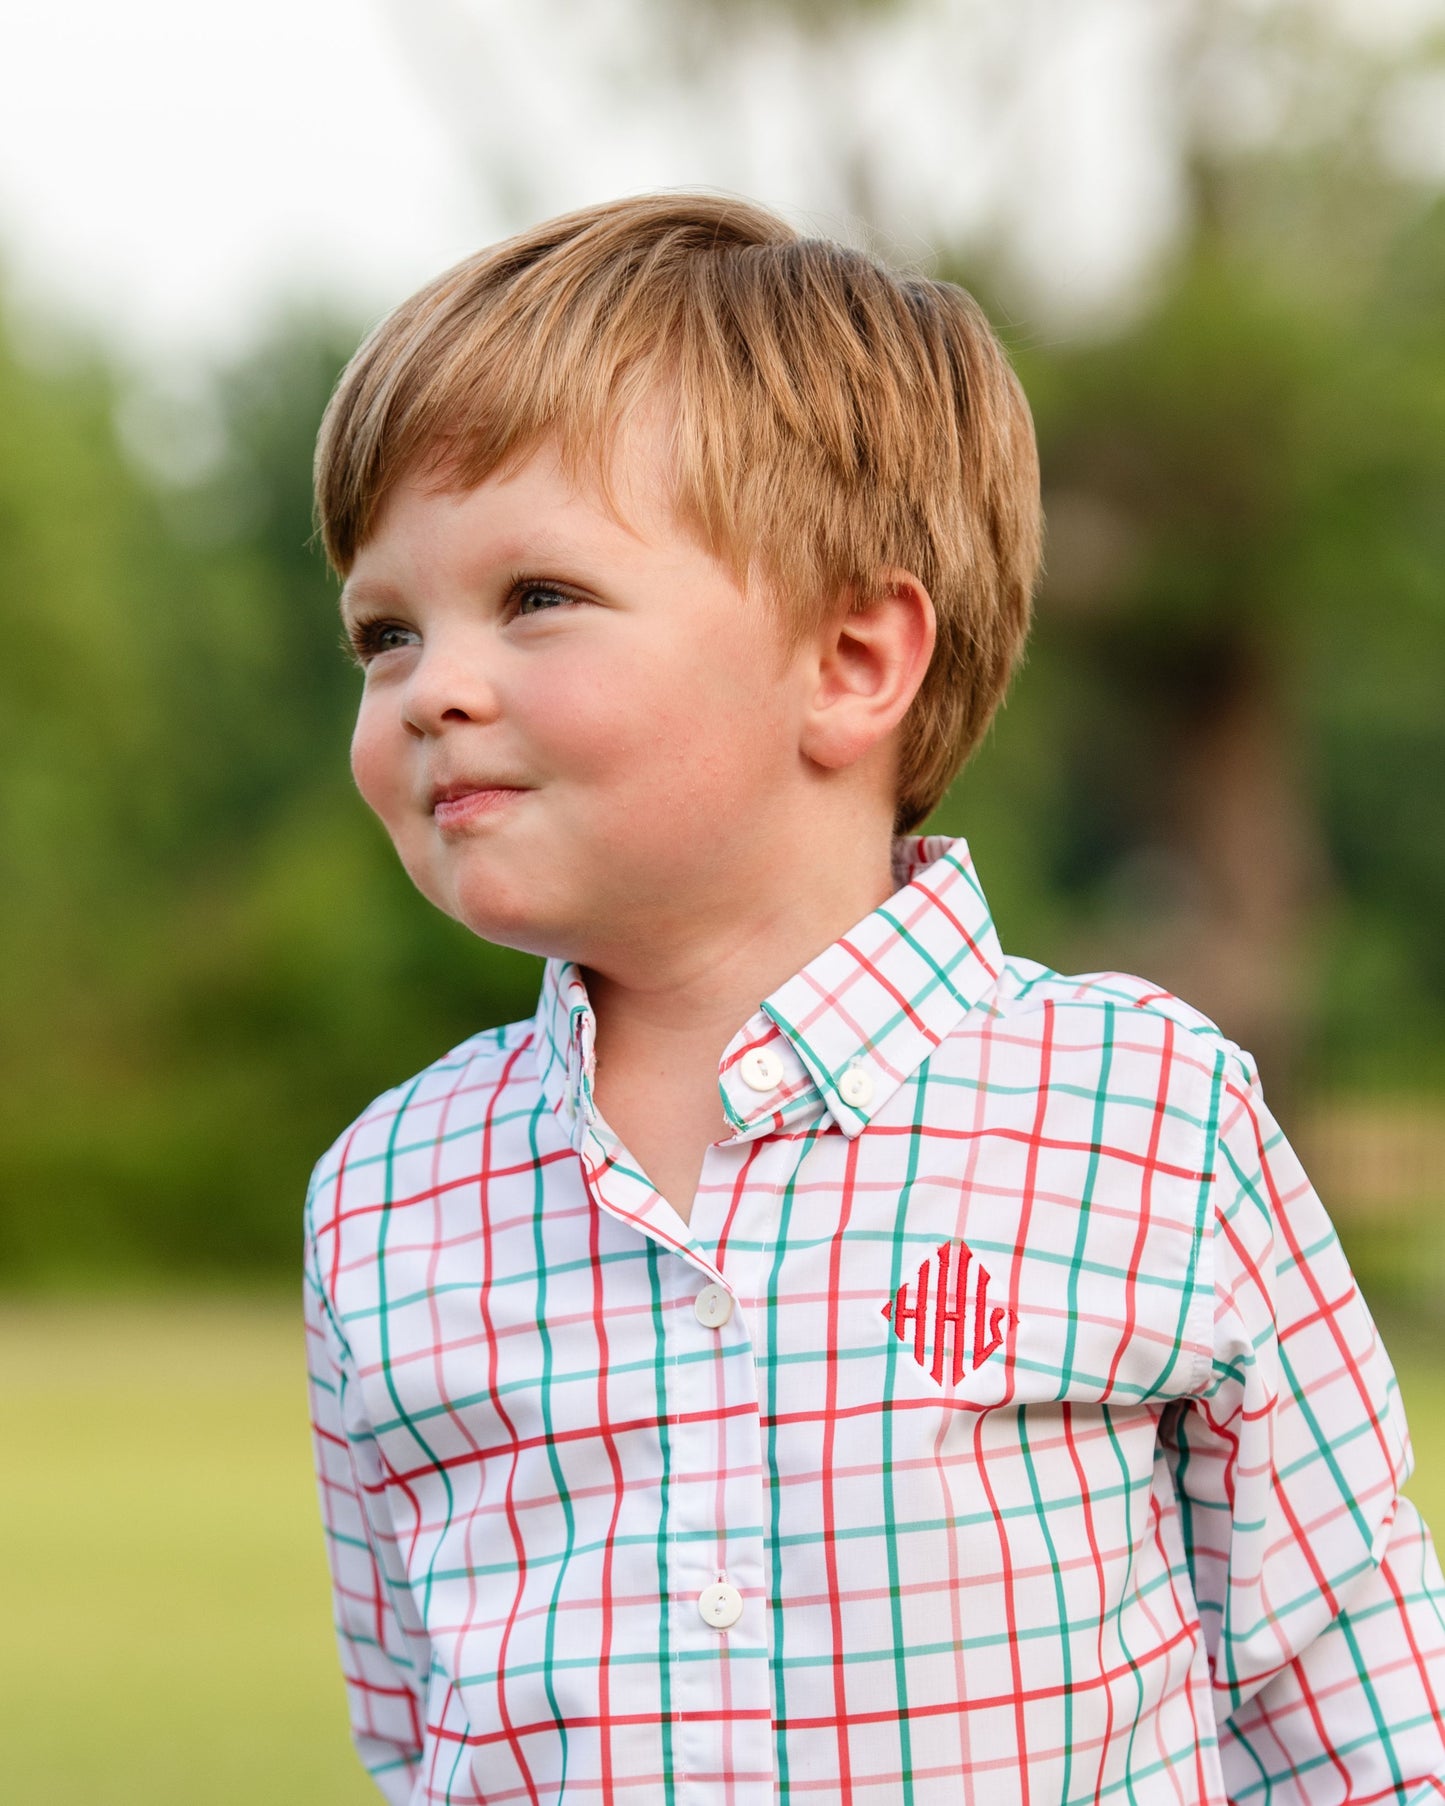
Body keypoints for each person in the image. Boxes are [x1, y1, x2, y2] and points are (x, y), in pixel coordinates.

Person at [301, 192, 1445, 1805]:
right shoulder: (384, 1197)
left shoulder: (1141, 1115)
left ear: (853, 659)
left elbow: (1353, 1700)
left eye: (537, 597)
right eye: (383, 632)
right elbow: (415, 1732)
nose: (436, 688)